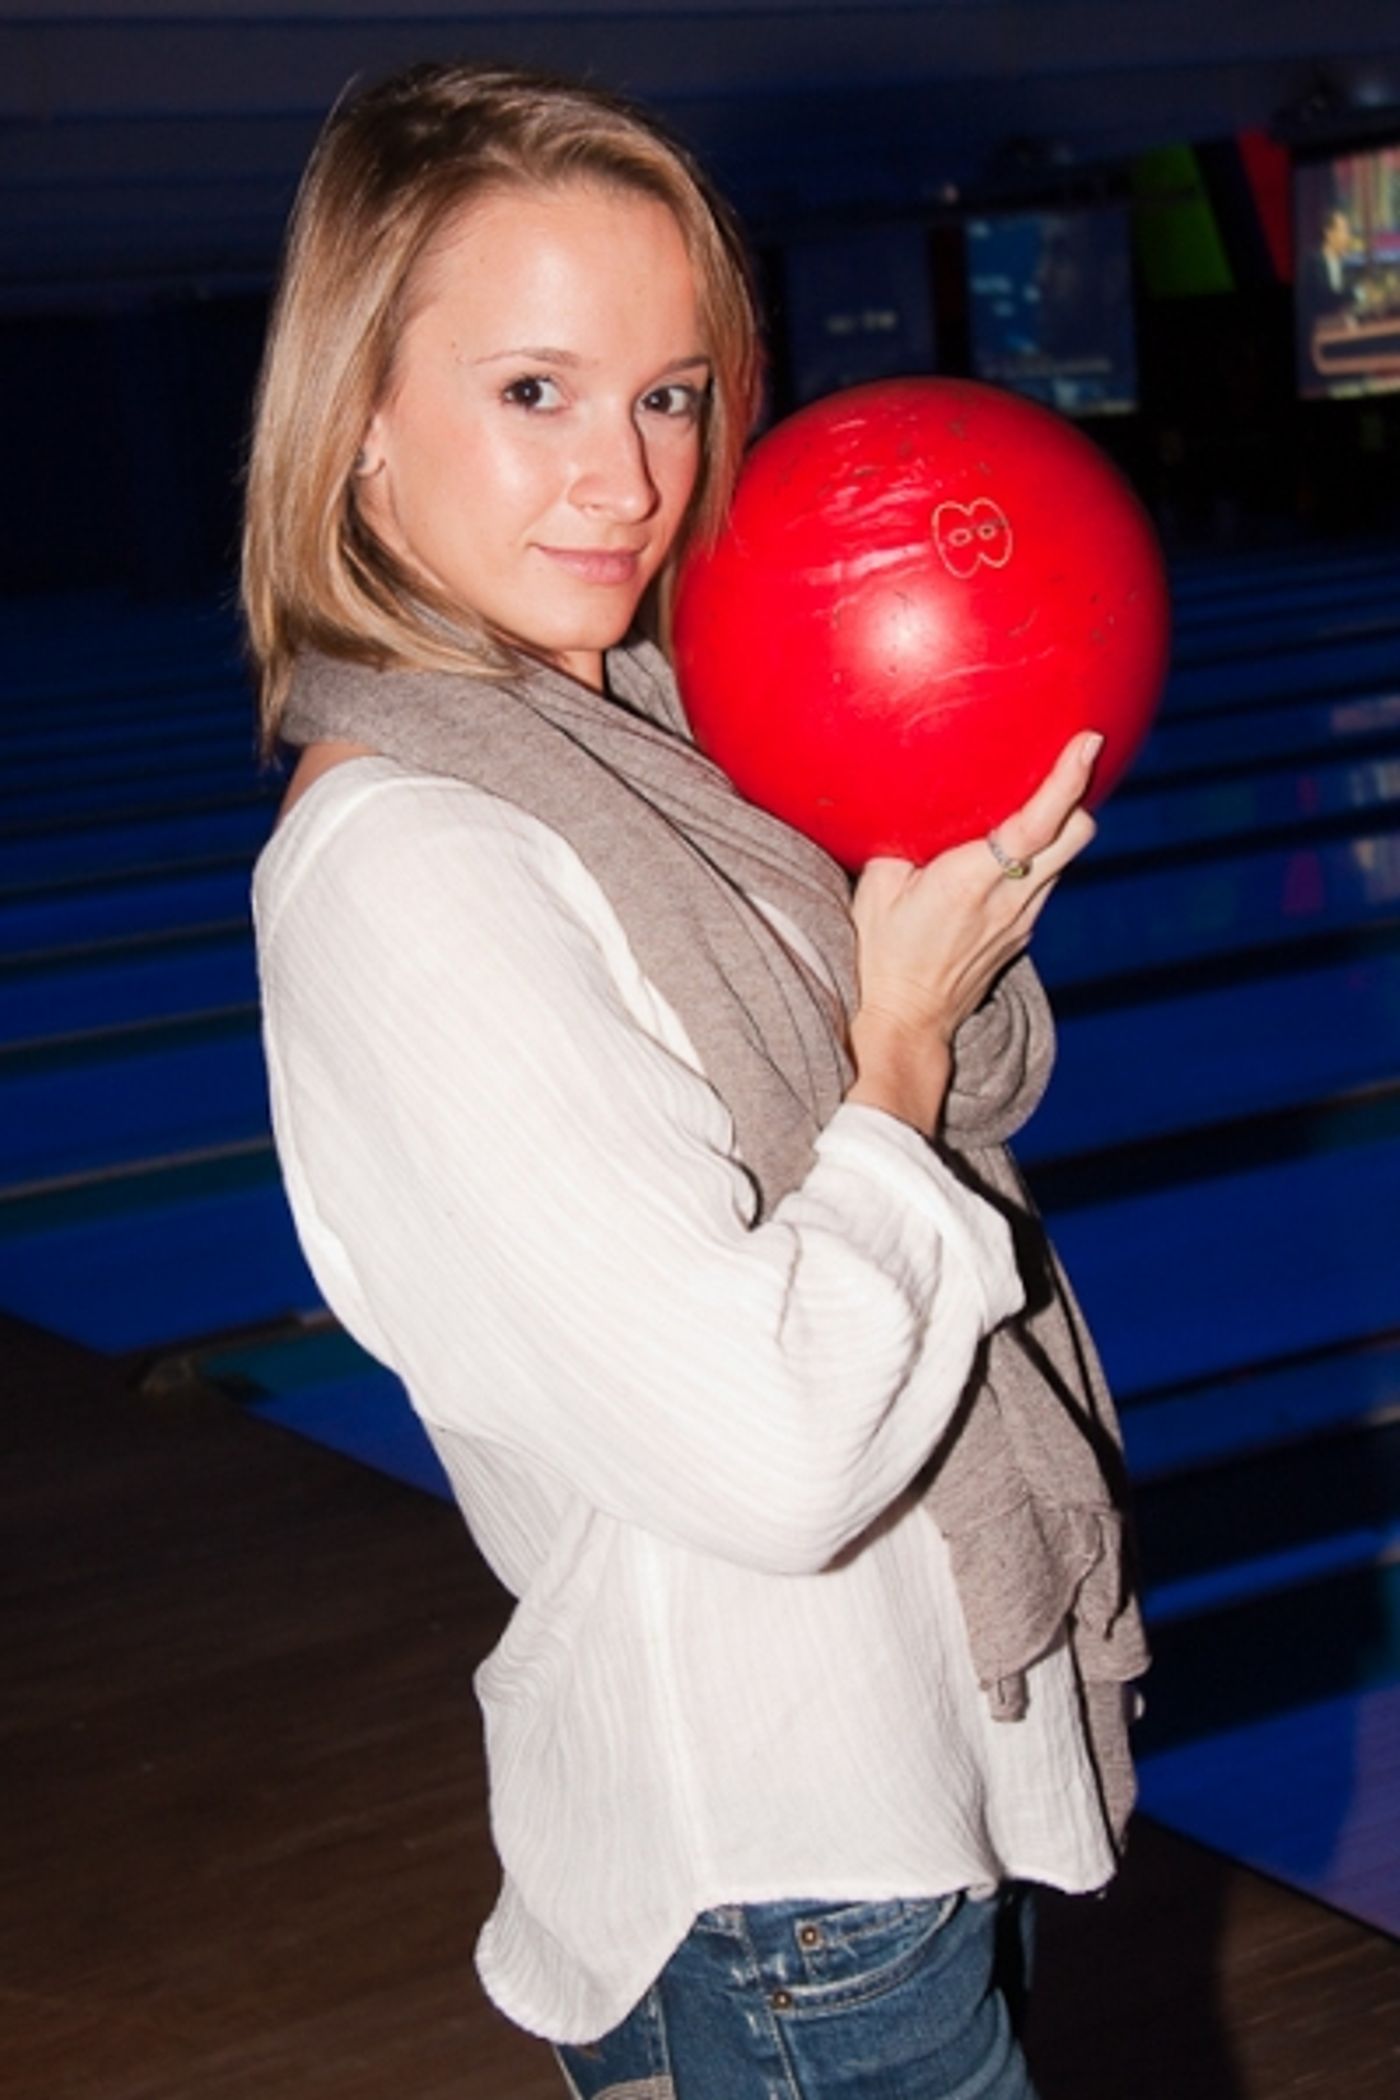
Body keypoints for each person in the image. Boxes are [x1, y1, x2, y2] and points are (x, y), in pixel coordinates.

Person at [244, 59, 1149, 2100]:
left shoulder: (670, 738)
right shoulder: (408, 869)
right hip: (782, 1880)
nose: (628, 481)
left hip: (890, 1804)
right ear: (359, 416)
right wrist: (895, 1042)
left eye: (667, 396)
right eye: (534, 391)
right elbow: (773, 1446)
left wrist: (943, 925)